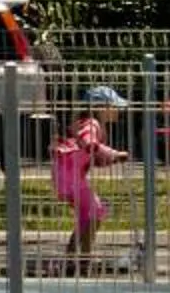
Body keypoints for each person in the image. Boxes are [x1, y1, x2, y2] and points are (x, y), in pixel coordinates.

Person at [51, 85, 130, 272]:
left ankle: (72, 257)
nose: (118, 111)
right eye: (115, 106)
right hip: (70, 178)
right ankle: (84, 259)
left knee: (88, 216)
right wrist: (115, 153)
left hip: (67, 176)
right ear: (102, 108)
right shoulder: (91, 124)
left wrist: (110, 161)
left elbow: (90, 156)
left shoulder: (89, 123)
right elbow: (89, 144)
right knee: (95, 212)